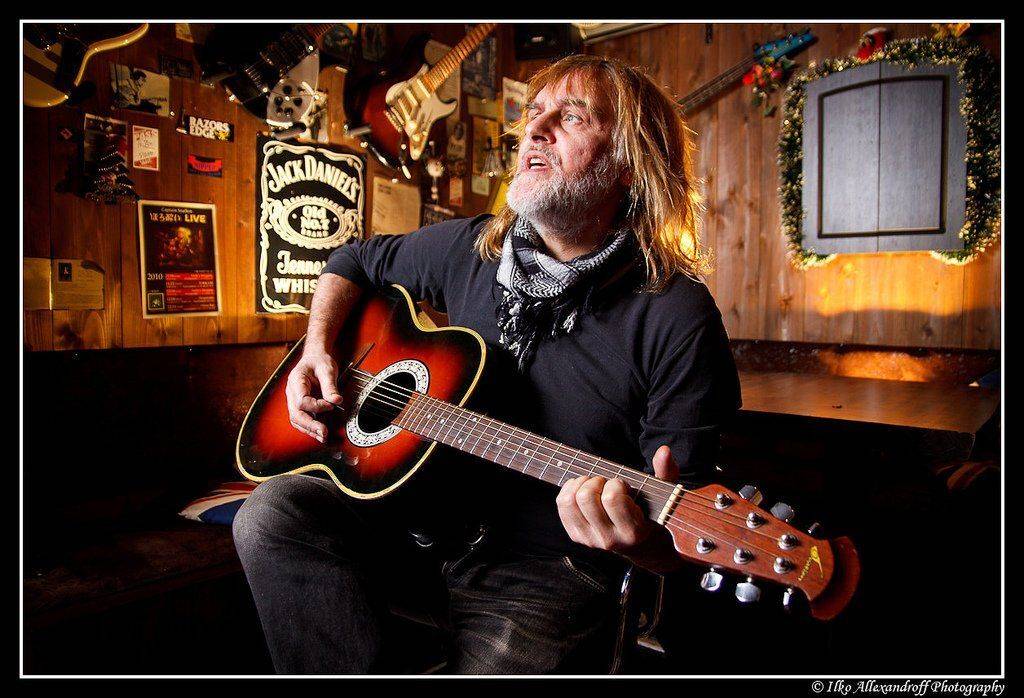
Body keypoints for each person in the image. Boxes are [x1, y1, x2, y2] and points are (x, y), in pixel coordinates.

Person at [233, 54, 742, 674]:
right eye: (535, 114)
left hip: (544, 571)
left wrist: (649, 548)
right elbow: (352, 260)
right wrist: (317, 349)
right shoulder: (473, 246)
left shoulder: (676, 312)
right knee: (273, 514)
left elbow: (679, 537)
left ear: (632, 165)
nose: (535, 129)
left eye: (572, 116)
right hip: (413, 516)